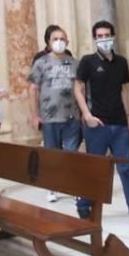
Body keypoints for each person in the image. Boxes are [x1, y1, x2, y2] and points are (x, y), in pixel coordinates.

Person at [74, 21, 129, 226]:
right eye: (99, 36)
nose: (103, 38)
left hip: (119, 125)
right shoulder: (88, 62)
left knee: (126, 168)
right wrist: (87, 114)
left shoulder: (122, 62)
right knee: (95, 169)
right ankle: (83, 205)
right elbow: (78, 89)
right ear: (95, 39)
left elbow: (124, 90)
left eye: (107, 35)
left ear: (113, 36)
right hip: (97, 124)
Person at [29, 25, 81, 203]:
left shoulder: (75, 63)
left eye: (62, 39)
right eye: (55, 39)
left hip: (72, 115)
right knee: (52, 155)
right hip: (49, 117)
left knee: (71, 153)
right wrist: (34, 115)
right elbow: (33, 89)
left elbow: (81, 88)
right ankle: (52, 187)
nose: (59, 42)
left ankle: (74, 187)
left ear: (67, 42)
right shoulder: (41, 63)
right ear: (49, 43)